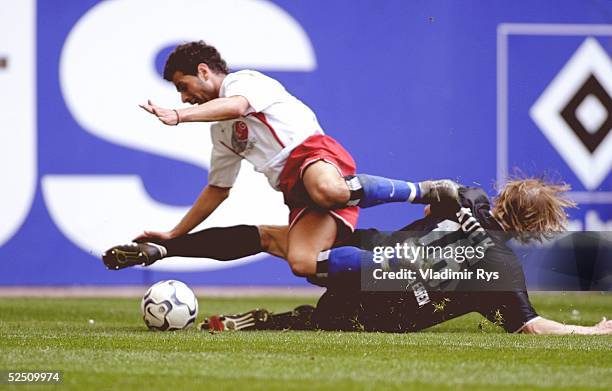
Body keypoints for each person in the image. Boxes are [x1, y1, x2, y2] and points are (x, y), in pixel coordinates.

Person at [103, 177, 612, 335]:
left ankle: (164, 247)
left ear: (503, 198)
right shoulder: (504, 268)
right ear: (534, 229)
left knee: (269, 237)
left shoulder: (469, 197)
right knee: (330, 317)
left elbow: (420, 191)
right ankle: (263, 322)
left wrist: (350, 191)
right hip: (396, 306)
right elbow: (531, 327)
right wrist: (591, 332)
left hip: (369, 248)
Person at [136, 40, 452, 278]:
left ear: (203, 71)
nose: (184, 97)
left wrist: (179, 116)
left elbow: (235, 106)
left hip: (313, 157)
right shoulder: (220, 132)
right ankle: (404, 264)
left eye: (183, 87)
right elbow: (217, 189)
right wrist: (174, 234)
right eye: (179, 94)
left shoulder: (243, 81)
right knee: (303, 264)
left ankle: (424, 190)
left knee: (325, 189)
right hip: (297, 193)